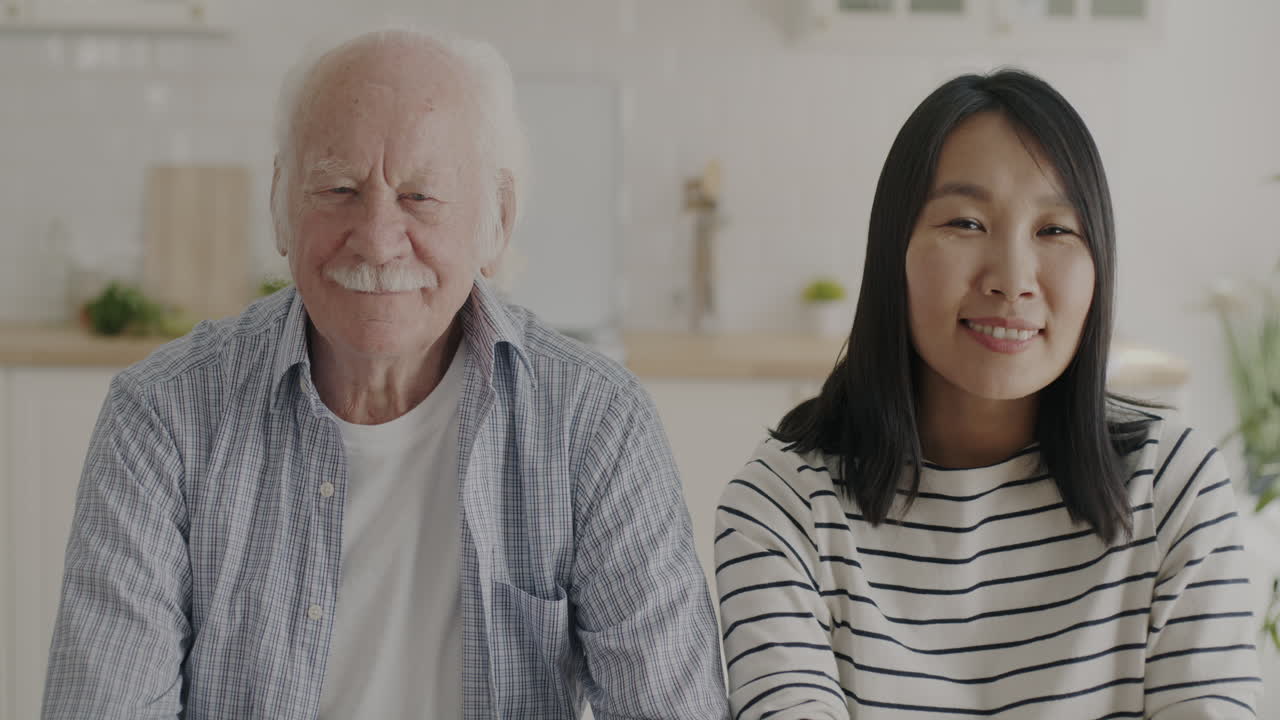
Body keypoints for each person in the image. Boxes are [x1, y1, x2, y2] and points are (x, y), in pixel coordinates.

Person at [43, 28, 728, 720]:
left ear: (497, 220)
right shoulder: (161, 416)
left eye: (421, 196)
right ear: (282, 204)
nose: (374, 236)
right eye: (338, 187)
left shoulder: (597, 423)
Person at [715, 69, 1260, 719]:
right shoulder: (783, 507)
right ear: (894, 253)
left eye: (1055, 230)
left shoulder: (1174, 488)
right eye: (967, 222)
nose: (1012, 279)